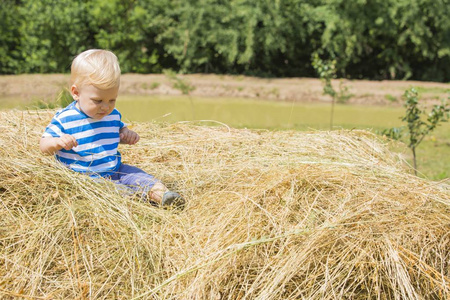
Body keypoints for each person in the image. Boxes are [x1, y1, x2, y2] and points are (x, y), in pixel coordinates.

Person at [39, 49, 184, 208]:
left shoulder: (112, 115)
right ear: (76, 93)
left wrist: (126, 134)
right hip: (87, 178)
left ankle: (164, 196)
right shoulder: (66, 118)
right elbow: (43, 145)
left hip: (116, 169)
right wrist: (58, 142)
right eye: (98, 100)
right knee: (119, 193)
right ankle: (138, 200)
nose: (105, 107)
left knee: (141, 178)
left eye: (112, 100)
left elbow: (117, 132)